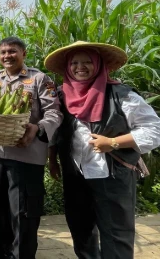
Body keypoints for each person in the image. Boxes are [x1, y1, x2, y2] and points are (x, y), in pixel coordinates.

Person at [44, 41, 160, 259]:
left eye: (88, 62)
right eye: (75, 62)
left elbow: (154, 129)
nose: (80, 67)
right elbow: (57, 132)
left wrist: (113, 142)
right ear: (68, 67)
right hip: (75, 174)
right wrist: (52, 160)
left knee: (116, 232)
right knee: (81, 230)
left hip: (112, 173)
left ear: (98, 65)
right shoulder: (62, 96)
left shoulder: (120, 94)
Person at [0, 37, 63, 259]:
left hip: (27, 157)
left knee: (24, 212)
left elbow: (54, 113)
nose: (7, 56)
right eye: (3, 52)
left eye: (12, 51)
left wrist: (37, 128)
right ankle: (4, 251)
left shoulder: (39, 79)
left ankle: (22, 255)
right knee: (1, 210)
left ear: (24, 53)